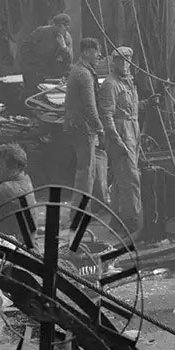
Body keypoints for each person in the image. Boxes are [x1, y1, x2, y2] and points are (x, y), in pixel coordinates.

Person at [99, 45, 141, 234]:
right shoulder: (110, 84)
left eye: (127, 60)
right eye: (119, 60)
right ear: (114, 62)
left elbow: (131, 107)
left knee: (119, 179)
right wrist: (116, 140)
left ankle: (116, 221)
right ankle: (132, 221)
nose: (123, 64)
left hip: (133, 128)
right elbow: (107, 115)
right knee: (131, 178)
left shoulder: (129, 82)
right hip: (121, 131)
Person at [63, 37, 106, 204]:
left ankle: (92, 206)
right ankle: (80, 212)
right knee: (86, 172)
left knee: (89, 168)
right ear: (88, 52)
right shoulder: (84, 74)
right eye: (97, 52)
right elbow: (90, 106)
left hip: (78, 126)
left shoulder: (79, 69)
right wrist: (100, 127)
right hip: (83, 127)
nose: (99, 55)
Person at [20, 13, 73, 99]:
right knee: (32, 91)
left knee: (69, 70)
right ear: (56, 26)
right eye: (63, 27)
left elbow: (69, 60)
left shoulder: (67, 38)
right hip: (35, 67)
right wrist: (32, 62)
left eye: (67, 27)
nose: (65, 30)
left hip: (49, 67)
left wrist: (63, 47)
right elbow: (25, 48)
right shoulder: (41, 32)